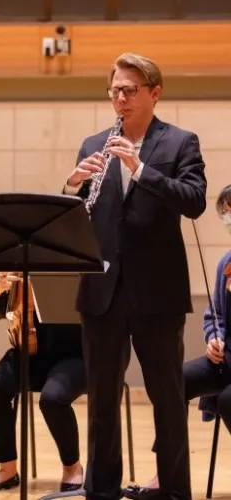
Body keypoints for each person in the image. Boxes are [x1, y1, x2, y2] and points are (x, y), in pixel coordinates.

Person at [62, 53, 207, 500]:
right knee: (102, 403)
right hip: (102, 291)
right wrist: (71, 187)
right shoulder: (93, 144)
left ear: (154, 93)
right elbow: (80, 219)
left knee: (166, 399)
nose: (120, 99)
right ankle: (100, 492)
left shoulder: (180, 142)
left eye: (130, 90)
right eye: (115, 90)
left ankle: (174, 493)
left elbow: (195, 201)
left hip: (156, 292)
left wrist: (141, 170)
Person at [123, 184, 231, 500]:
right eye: (225, 212)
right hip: (226, 360)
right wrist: (215, 339)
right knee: (173, 382)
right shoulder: (226, 262)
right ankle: (167, 475)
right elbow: (214, 314)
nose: (228, 217)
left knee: (228, 400)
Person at [0, 272, 85, 492]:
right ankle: (7, 469)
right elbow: (0, 312)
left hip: (77, 353)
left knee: (53, 399)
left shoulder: (80, 262)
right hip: (32, 348)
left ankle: (72, 467)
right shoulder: (24, 262)